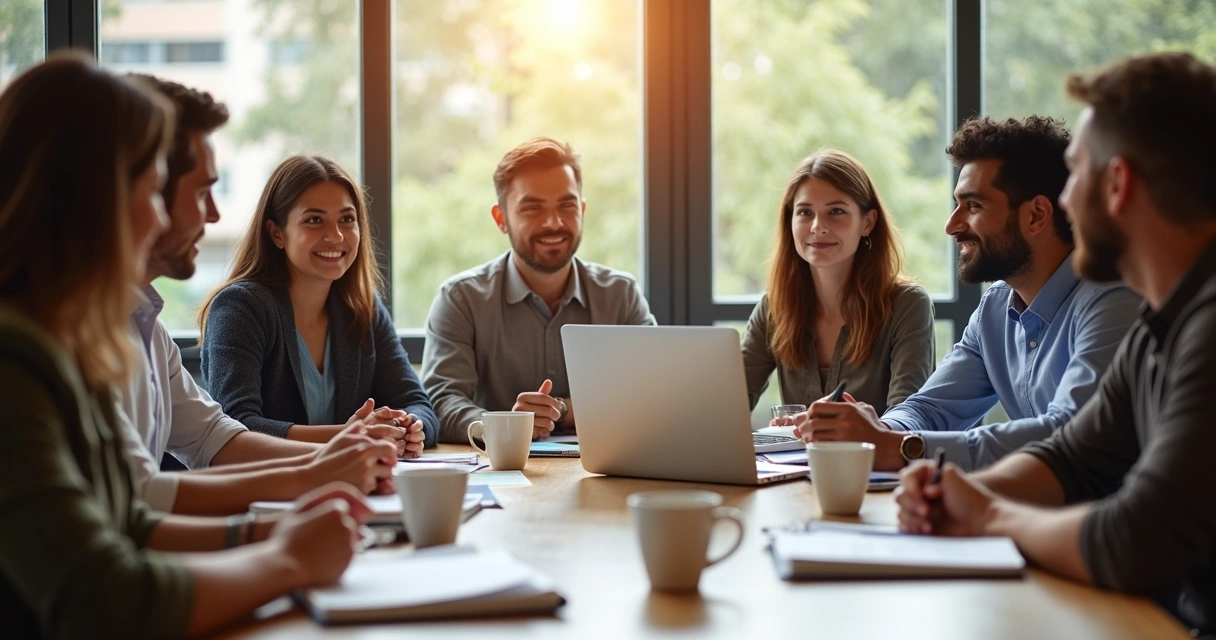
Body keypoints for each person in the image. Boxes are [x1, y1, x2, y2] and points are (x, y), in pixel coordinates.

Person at [0, 53, 370, 639]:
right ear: (91, 200)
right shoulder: (20, 357)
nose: (158, 220)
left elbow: (128, 517)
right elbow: (104, 598)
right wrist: (288, 556)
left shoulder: (76, 336)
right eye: (154, 193)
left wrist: (271, 533)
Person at [896, 51, 1216, 637]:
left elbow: (1132, 539)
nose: (1066, 201)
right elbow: (1074, 455)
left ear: (1117, 184)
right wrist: (950, 490)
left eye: (1078, 174)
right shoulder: (1161, 325)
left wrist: (988, 512)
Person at [116, 75, 399, 515]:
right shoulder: (58, 331)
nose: (214, 214)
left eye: (347, 220)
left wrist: (347, 455)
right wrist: (331, 457)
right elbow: (133, 502)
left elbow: (214, 437)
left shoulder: (146, 326)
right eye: (202, 191)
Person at [797, 116, 1142, 471]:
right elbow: (932, 408)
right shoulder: (995, 309)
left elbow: (1070, 433)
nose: (952, 225)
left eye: (974, 206)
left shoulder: (1113, 301)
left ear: (1037, 215)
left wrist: (902, 447)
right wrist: (878, 430)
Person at [421, 137, 655, 442]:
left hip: (606, 470)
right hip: (501, 475)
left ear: (582, 210)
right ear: (501, 219)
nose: (553, 222)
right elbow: (440, 403)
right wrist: (506, 426)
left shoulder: (621, 295)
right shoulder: (461, 299)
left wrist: (560, 410)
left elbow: (653, 398)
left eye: (567, 206)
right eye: (532, 208)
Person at [199, 155, 439, 451]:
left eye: (347, 219)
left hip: (354, 488)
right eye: (314, 220)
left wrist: (408, 427)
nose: (335, 235)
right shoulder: (240, 307)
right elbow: (236, 425)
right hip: (269, 492)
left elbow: (417, 404)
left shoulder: (363, 306)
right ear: (277, 233)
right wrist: (349, 436)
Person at [742, 149, 935, 417]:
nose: (818, 227)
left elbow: (909, 420)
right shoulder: (774, 306)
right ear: (790, 221)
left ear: (867, 223)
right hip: (791, 461)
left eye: (836, 211)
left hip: (875, 460)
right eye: (805, 212)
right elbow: (728, 402)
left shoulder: (908, 305)